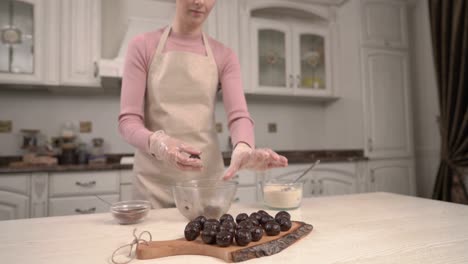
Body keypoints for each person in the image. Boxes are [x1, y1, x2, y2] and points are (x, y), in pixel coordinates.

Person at [118, 0, 288, 208]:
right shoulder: (142, 45)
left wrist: (243, 148)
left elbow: (238, 115)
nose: (200, 2)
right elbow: (128, 121)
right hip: (153, 187)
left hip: (206, 187)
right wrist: (159, 143)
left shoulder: (224, 55)